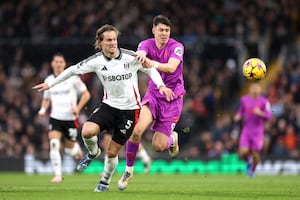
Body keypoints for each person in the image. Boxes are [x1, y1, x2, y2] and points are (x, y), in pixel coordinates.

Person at [33, 24, 173, 192]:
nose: (113, 43)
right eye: (109, 40)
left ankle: (104, 182)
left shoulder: (131, 57)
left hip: (130, 111)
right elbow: (72, 70)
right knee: (87, 131)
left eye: (114, 39)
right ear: (100, 43)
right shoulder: (96, 61)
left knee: (112, 152)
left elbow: (151, 71)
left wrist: (161, 86)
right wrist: (50, 84)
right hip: (109, 106)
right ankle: (92, 153)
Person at [118, 15, 185, 190]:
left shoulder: (177, 47)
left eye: (167, 30)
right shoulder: (146, 44)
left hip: (172, 100)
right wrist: (141, 55)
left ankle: (172, 138)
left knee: (157, 146)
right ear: (153, 30)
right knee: (136, 130)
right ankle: (128, 171)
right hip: (153, 96)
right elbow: (141, 52)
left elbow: (171, 67)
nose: (164, 33)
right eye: (161, 30)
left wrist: (151, 62)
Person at [38, 53, 91, 183]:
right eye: (56, 62)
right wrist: (43, 109)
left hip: (70, 119)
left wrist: (78, 108)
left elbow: (86, 94)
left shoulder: (72, 78)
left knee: (69, 150)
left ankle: (76, 150)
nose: (58, 64)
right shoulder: (49, 80)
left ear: (64, 64)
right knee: (54, 144)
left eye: (61, 62)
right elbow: (46, 99)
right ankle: (57, 175)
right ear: (52, 64)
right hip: (55, 118)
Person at [233, 82, 272, 177]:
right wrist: (238, 115)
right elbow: (241, 111)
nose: (255, 90)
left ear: (260, 90)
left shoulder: (264, 102)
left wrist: (260, 113)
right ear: (250, 89)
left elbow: (269, 116)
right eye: (253, 88)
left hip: (258, 132)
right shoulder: (244, 100)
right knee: (243, 151)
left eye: (256, 88)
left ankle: (253, 169)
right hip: (246, 130)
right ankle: (249, 162)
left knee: (255, 153)